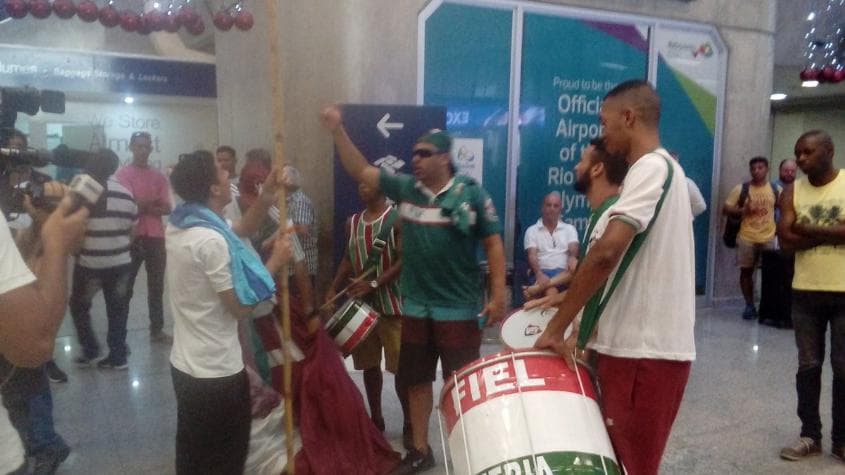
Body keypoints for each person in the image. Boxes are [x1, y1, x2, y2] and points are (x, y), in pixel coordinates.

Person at [320, 105, 506, 474]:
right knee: (415, 381)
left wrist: (498, 294)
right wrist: (338, 131)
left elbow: (493, 243)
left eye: (424, 154)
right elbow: (360, 169)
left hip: (458, 309)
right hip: (417, 308)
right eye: (413, 154)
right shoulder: (406, 189)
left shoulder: (471, 195)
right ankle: (421, 449)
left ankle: (473, 453)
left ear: (444, 157)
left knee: (462, 385)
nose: (415, 160)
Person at [535, 80, 696, 475]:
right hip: (639, 350)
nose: (603, 133)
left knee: (630, 464)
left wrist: (556, 328)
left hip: (643, 352)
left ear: (628, 117)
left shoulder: (652, 167)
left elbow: (607, 253)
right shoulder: (668, 171)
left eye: (605, 123)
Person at [166, 150, 292, 475]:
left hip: (185, 366)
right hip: (217, 374)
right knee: (227, 457)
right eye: (222, 174)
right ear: (214, 189)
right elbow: (239, 308)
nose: (229, 177)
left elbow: (242, 228)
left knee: (193, 453)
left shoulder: (184, 222)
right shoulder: (210, 241)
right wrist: (275, 263)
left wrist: (265, 195)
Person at [0, 187, 88, 473]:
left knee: (33, 398)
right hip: (18, 344)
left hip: (23, 345)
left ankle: (46, 443)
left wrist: (55, 243)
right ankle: (44, 443)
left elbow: (38, 336)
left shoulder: (46, 249)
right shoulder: (31, 239)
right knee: (27, 399)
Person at [325, 181, 411, 447]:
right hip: (362, 305)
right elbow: (349, 258)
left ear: (383, 187)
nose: (361, 188)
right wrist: (332, 288)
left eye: (368, 184)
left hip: (393, 305)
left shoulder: (397, 219)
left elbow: (404, 260)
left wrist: (374, 283)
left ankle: (409, 422)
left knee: (401, 369)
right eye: (359, 184)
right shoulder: (352, 222)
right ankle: (376, 418)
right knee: (369, 366)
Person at [777, 130, 845, 463]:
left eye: (808, 152)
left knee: (843, 367)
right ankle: (810, 436)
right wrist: (834, 232)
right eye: (798, 153)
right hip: (805, 292)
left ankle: (842, 440)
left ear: (829, 151)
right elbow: (786, 240)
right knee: (808, 367)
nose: (801, 159)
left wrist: (807, 228)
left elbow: (796, 231)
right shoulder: (791, 191)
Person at [69, 148, 138, 370]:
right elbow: (133, 229)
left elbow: (74, 225)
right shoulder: (126, 192)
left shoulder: (83, 187)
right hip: (121, 262)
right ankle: (118, 357)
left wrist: (75, 250)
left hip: (90, 264)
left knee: (79, 306)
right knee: (118, 309)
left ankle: (90, 349)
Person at [116, 131, 172, 342]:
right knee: (126, 287)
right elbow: (130, 206)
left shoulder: (159, 176)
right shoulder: (122, 175)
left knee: (156, 286)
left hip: (156, 237)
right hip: (132, 237)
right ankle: (119, 333)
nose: (143, 150)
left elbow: (167, 207)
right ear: (131, 147)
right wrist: (150, 203)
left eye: (146, 146)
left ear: (151, 148)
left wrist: (143, 203)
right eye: (138, 146)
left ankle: (156, 330)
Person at [722, 156, 780, 320]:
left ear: (767, 169)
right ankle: (749, 305)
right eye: (753, 168)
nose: (756, 171)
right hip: (747, 237)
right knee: (746, 272)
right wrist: (744, 212)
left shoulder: (775, 189)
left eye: (760, 168)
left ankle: (767, 306)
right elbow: (725, 209)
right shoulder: (742, 189)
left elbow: (783, 208)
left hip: (768, 237)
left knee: (770, 274)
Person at [522, 192, 579, 299]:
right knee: (551, 291)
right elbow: (532, 255)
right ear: (542, 208)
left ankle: (536, 289)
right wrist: (539, 274)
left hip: (564, 274)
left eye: (555, 206)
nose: (552, 209)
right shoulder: (532, 231)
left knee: (575, 267)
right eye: (548, 205)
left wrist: (572, 257)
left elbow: (573, 248)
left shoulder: (569, 229)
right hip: (543, 272)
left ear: (560, 209)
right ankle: (545, 286)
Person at [283, 165, 318, 283]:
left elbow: (302, 229)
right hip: (292, 267)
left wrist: (276, 237)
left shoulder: (299, 201)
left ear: (290, 180)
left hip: (303, 266)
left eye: (282, 175)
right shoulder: (289, 202)